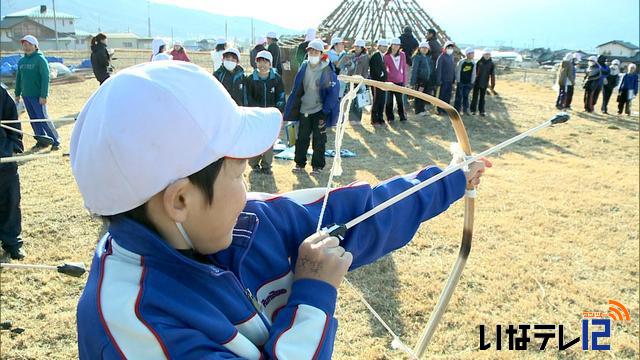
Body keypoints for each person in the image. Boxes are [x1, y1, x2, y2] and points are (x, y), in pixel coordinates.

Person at [71, 61, 489, 359]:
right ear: (181, 200)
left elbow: (369, 212)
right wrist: (312, 298)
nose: (247, 189)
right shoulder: (135, 327)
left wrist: (449, 180)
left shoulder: (252, 220)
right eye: (239, 175)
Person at [284, 39, 339, 175]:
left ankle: (317, 166)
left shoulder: (327, 69)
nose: (313, 54)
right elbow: (296, 88)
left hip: (320, 110)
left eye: (316, 51)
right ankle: (299, 164)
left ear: (321, 54)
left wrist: (326, 110)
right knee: (302, 138)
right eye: (311, 51)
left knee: (319, 139)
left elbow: (333, 92)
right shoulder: (304, 66)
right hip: (304, 109)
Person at [14, 35, 61, 150]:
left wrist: (43, 95)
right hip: (26, 95)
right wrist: (17, 93)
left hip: (38, 96)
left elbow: (45, 78)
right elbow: (19, 78)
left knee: (43, 118)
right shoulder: (22, 61)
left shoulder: (40, 60)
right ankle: (42, 141)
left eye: (28, 44)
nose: (26, 47)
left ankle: (55, 141)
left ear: (35, 46)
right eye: (24, 44)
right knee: (34, 120)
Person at [245, 50, 285, 175]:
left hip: (271, 117)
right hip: (255, 116)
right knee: (255, 140)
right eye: (260, 61)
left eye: (265, 62)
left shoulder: (276, 79)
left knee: (269, 140)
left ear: (270, 64)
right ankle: (254, 163)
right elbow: (247, 98)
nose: (262, 65)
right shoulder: (251, 79)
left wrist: (279, 111)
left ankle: (267, 165)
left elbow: (281, 96)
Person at [0, 84, 25, 260]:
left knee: (10, 201)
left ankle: (12, 242)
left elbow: (12, 121)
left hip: (3, 159)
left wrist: (12, 145)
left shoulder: (0, 92)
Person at [343, 39, 370, 124]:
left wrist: (363, 80)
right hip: (350, 80)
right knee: (351, 100)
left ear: (362, 48)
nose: (356, 48)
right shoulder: (350, 55)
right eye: (355, 46)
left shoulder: (365, 57)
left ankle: (358, 119)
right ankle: (351, 119)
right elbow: (345, 66)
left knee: (359, 101)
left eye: (358, 47)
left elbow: (366, 70)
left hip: (360, 81)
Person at [384, 38, 408, 122]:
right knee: (389, 101)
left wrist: (405, 81)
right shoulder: (386, 56)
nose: (396, 47)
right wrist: (386, 81)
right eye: (395, 45)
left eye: (398, 45)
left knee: (400, 101)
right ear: (391, 45)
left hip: (400, 81)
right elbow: (385, 69)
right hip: (390, 82)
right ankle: (390, 117)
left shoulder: (402, 55)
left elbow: (404, 68)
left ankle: (402, 116)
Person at [470, 48, 496, 116]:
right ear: (483, 55)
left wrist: (493, 84)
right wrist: (473, 81)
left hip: (485, 83)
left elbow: (492, 74)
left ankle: (481, 111)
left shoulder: (491, 64)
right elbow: (474, 72)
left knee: (482, 97)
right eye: (486, 54)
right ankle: (473, 110)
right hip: (477, 82)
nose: (487, 56)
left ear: (490, 55)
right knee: (475, 97)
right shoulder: (479, 62)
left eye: (488, 54)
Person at [369, 39, 388, 126]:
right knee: (376, 100)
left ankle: (380, 118)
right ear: (379, 46)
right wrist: (381, 74)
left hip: (382, 83)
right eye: (384, 46)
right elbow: (374, 70)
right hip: (376, 83)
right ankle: (374, 119)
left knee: (382, 101)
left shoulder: (382, 56)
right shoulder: (375, 56)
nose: (385, 48)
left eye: (386, 47)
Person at [410, 42, 432, 116]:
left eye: (426, 48)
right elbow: (414, 69)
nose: (425, 49)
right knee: (419, 94)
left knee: (424, 95)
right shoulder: (417, 57)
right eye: (423, 48)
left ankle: (422, 109)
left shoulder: (427, 57)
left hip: (426, 79)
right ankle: (418, 110)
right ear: (419, 49)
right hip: (420, 80)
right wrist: (412, 82)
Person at [434, 41, 456, 115]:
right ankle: (439, 109)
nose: (450, 49)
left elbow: (453, 69)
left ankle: (446, 110)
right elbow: (438, 69)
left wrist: (453, 79)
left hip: (450, 80)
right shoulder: (441, 57)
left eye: (451, 48)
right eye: (448, 47)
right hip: (443, 81)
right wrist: (438, 80)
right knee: (441, 96)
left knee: (448, 96)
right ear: (445, 48)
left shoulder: (451, 57)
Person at [454, 48, 476, 115]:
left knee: (466, 96)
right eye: (471, 53)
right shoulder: (461, 62)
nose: (472, 55)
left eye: (473, 53)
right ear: (467, 54)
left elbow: (474, 73)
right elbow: (457, 71)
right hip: (461, 82)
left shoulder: (473, 63)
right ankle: (457, 110)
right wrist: (458, 81)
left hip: (468, 82)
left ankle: (465, 110)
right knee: (459, 96)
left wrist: (472, 82)